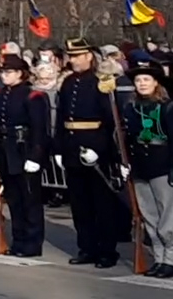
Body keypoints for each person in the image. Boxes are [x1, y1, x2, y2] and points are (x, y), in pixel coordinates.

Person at [55, 37, 126, 269]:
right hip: (72, 147)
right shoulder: (68, 83)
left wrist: (103, 150)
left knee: (101, 204)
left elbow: (111, 120)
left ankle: (107, 251)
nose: (73, 60)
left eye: (77, 56)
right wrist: (59, 148)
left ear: (88, 56)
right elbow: (61, 118)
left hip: (95, 148)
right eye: (71, 56)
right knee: (80, 204)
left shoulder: (101, 81)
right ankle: (87, 247)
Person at [120, 61, 173, 278]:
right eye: (138, 80)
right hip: (140, 166)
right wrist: (124, 162)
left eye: (146, 79)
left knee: (169, 216)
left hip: (163, 164)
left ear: (156, 82)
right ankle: (159, 258)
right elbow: (127, 137)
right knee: (149, 215)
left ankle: (171, 260)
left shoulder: (169, 107)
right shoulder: (131, 107)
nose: (142, 83)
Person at [0, 55, 50, 259]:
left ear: (20, 74)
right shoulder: (0, 94)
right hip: (6, 150)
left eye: (9, 72)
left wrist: (35, 156)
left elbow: (39, 129)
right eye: (2, 72)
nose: (4, 75)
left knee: (30, 199)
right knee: (14, 199)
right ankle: (18, 240)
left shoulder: (32, 96)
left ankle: (32, 243)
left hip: (24, 150)